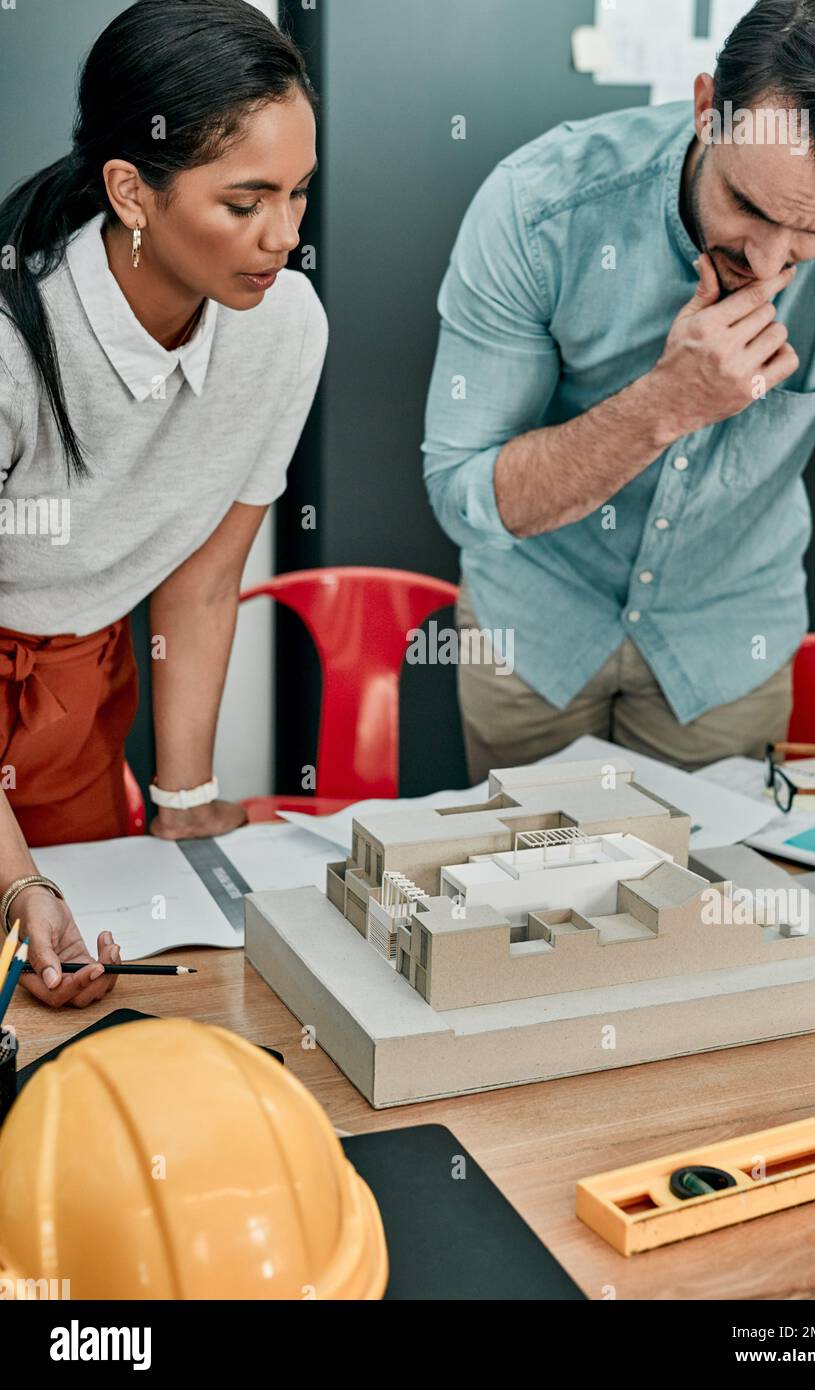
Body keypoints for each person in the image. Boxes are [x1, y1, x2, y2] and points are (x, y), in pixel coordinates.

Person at [422, 0, 815, 950]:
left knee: (684, 952)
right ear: (707, 108)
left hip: (725, 651)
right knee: (520, 944)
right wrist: (667, 403)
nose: (771, 266)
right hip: (533, 636)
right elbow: (465, 496)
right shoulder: (537, 205)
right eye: (753, 209)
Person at [0, 0, 327, 1005]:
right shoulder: (14, 350)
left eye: (299, 195)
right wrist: (16, 879)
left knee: (80, 974)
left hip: (76, 697)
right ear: (130, 191)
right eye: (244, 203)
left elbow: (204, 574)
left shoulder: (282, 330)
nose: (283, 238)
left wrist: (183, 803)